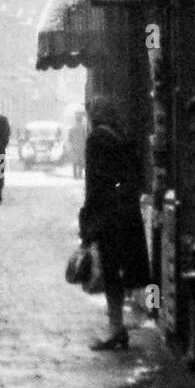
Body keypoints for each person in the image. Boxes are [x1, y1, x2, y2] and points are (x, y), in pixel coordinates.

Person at [81, 96, 151, 351]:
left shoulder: (96, 139)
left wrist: (87, 223)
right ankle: (128, 321)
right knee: (125, 271)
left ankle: (116, 328)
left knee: (110, 273)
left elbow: (94, 184)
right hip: (127, 212)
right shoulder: (122, 136)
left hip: (107, 216)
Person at [68, 112, 87, 179]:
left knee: (75, 162)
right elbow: (85, 137)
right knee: (81, 161)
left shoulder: (72, 128)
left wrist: (71, 145)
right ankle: (80, 174)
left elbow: (69, 139)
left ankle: (75, 175)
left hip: (74, 146)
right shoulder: (83, 128)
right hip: (82, 146)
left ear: (76, 120)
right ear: (81, 120)